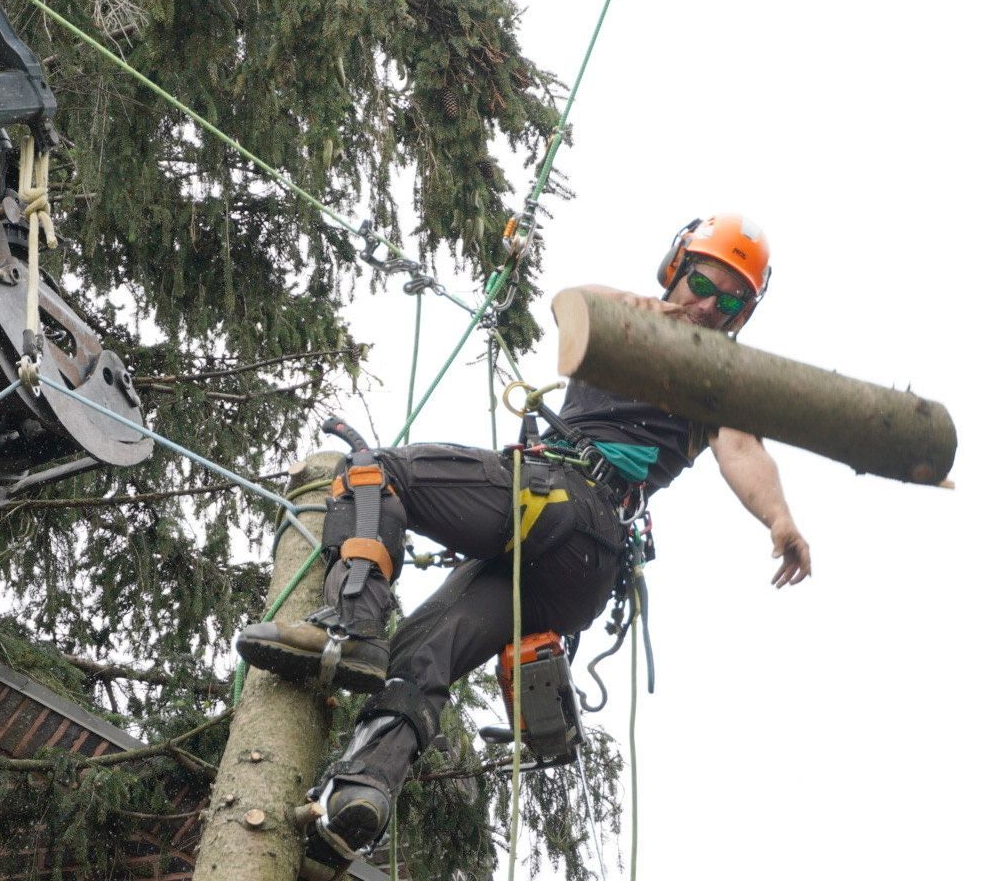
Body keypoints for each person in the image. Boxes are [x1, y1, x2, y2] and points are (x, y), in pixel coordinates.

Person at [236, 213, 812, 868]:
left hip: (562, 502)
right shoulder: (624, 322)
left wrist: (778, 518)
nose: (710, 305)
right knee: (422, 654)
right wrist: (652, 312)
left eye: (731, 300)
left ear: (744, 316)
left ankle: (348, 626)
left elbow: (742, 448)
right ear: (675, 270)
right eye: (703, 283)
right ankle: (356, 799)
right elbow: (572, 305)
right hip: (581, 570)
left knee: (377, 473)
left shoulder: (722, 378)